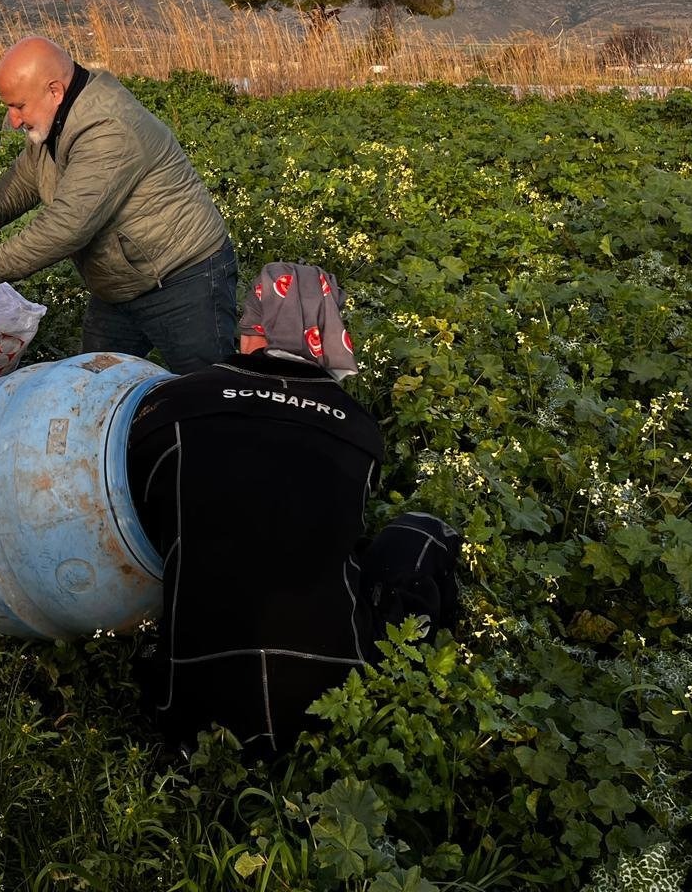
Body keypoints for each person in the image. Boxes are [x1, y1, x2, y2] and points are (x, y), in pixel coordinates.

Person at [126, 263, 459, 755]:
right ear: (329, 330)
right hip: (332, 703)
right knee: (421, 531)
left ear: (251, 327)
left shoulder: (171, 399)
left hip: (189, 702)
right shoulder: (358, 428)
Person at [0, 37, 236, 375]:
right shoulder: (57, 118)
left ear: (54, 91)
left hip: (181, 277)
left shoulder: (108, 127)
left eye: (19, 106)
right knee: (92, 382)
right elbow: (28, 174)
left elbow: (67, 226)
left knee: (206, 387)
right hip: (119, 283)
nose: (13, 120)